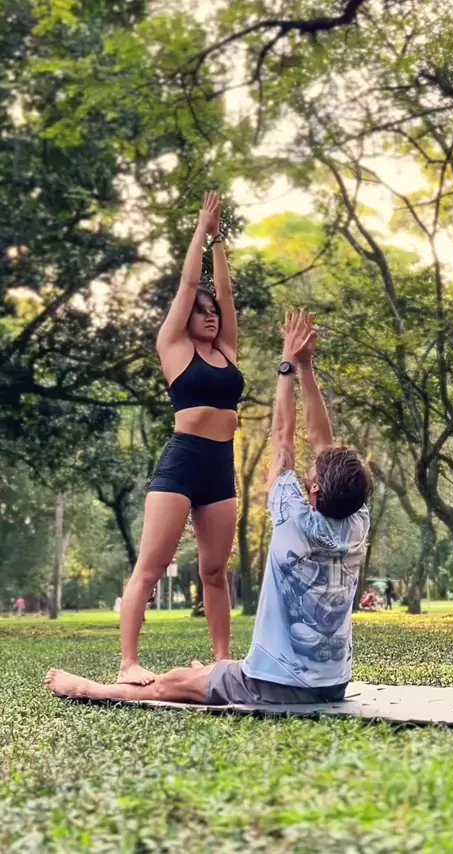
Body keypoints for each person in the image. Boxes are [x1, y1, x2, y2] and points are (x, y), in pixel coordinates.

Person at [45, 310, 372, 708]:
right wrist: (306, 366)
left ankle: (87, 689)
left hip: (276, 685)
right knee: (210, 672)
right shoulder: (358, 522)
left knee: (173, 682)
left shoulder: (293, 518)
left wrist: (290, 365)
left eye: (313, 473)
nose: (311, 467)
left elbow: (284, 437)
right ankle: (215, 670)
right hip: (333, 683)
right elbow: (323, 441)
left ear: (315, 491)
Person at [117, 191, 244, 686]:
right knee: (150, 568)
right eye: (201, 311)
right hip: (183, 461)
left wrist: (220, 242)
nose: (211, 315)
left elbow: (225, 295)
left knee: (214, 571)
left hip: (220, 465)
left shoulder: (227, 350)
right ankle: (129, 663)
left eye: (214, 312)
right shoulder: (173, 345)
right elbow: (190, 283)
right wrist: (200, 231)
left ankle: (222, 659)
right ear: (186, 316)